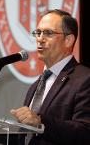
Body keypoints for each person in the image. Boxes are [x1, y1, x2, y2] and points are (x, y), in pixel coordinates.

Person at [10, 9, 90, 145]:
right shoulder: (35, 85)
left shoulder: (84, 79)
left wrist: (40, 122)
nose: (40, 38)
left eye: (48, 33)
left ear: (68, 40)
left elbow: (85, 132)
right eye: (38, 33)